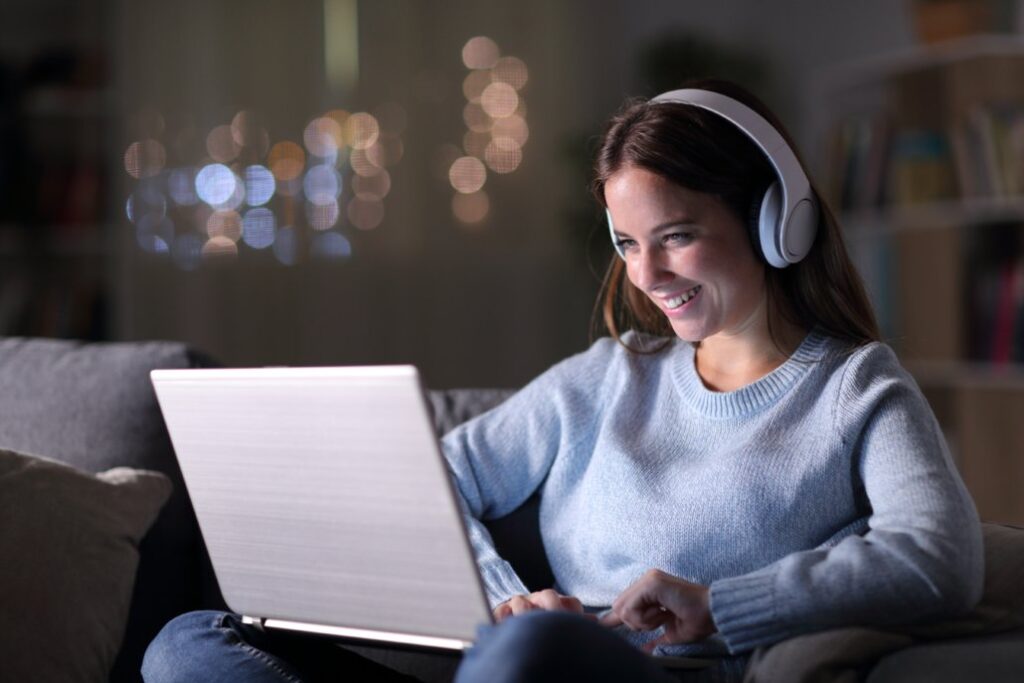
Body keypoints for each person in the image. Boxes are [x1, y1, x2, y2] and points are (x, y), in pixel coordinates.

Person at [142, 78, 984, 683]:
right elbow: (432, 473)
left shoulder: (856, 388)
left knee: (537, 657)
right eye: (626, 243)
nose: (648, 273)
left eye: (678, 235)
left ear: (775, 220)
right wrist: (506, 600)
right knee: (188, 644)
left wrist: (719, 604)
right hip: (516, 659)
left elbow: (941, 558)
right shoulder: (608, 376)